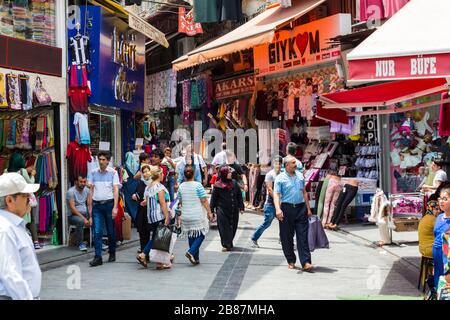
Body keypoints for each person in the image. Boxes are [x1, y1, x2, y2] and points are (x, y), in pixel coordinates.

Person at [0, 172, 41, 300]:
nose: (30, 198)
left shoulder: (14, 226)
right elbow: (10, 275)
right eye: (25, 196)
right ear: (10, 200)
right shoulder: (5, 229)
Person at [274, 155, 313, 271]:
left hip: (301, 208)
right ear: (286, 165)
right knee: (286, 236)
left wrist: (308, 209)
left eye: (295, 163)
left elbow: (304, 192)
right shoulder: (280, 178)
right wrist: (277, 209)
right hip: (286, 209)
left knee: (303, 236)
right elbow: (276, 194)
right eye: (293, 163)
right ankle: (290, 259)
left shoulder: (300, 176)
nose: (295, 165)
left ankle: (306, 261)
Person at [88, 151, 120, 267]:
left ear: (108, 161)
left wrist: (115, 207)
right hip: (96, 205)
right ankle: (98, 257)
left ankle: (112, 252)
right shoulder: (93, 173)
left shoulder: (113, 173)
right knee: (97, 231)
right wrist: (90, 209)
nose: (101, 162)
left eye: (103, 160)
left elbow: (116, 190)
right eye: (99, 159)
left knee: (111, 231)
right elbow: (91, 191)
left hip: (109, 204)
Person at [136, 166, 172, 269]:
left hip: (150, 217)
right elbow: (162, 203)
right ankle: (143, 255)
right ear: (159, 175)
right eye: (162, 173)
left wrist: (144, 202)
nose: (163, 175)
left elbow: (146, 200)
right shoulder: (159, 187)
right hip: (158, 216)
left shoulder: (148, 187)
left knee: (157, 238)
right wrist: (166, 217)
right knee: (157, 239)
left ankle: (160, 262)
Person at [177, 165, 214, 265]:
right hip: (196, 215)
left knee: (192, 235)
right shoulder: (198, 185)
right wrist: (209, 213)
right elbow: (204, 200)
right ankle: (191, 252)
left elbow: (180, 201)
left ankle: (195, 258)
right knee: (201, 235)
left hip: (185, 215)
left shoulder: (181, 186)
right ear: (194, 174)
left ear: (184, 175)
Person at [7, 152, 40, 249]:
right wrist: (33, 175)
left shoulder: (6, 171)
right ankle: (35, 241)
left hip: (13, 199)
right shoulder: (22, 171)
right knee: (31, 219)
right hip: (24, 198)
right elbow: (30, 183)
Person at [210, 166, 244, 252]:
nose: (230, 174)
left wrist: (241, 206)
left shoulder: (234, 183)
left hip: (233, 210)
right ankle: (226, 244)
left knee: (233, 226)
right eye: (228, 173)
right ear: (224, 174)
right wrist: (211, 211)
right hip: (222, 210)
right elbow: (213, 199)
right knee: (223, 228)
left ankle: (229, 241)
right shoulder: (217, 185)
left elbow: (239, 195)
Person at [251, 156, 283, 248]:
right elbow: (269, 189)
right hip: (270, 203)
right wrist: (278, 200)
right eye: (277, 163)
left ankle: (283, 239)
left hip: (281, 202)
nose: (278, 165)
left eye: (280, 163)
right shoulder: (270, 174)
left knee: (283, 222)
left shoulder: (283, 174)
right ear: (274, 164)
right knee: (267, 223)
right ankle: (254, 238)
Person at [67, 175, 91, 252]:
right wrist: (84, 219)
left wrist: (91, 217)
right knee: (80, 221)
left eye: (84, 182)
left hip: (85, 214)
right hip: (73, 216)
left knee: (97, 217)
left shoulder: (87, 190)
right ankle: (80, 244)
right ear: (76, 182)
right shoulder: (71, 192)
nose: (83, 183)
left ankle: (98, 241)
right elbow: (73, 209)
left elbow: (90, 205)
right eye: (81, 182)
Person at [132, 164, 151, 257]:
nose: (146, 173)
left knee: (153, 234)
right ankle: (144, 254)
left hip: (152, 212)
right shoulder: (140, 183)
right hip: (142, 212)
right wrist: (134, 196)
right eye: (144, 172)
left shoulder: (154, 183)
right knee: (143, 234)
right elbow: (136, 194)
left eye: (147, 171)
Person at [433, 187, 450, 288]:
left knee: (446, 283)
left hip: (447, 256)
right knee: (438, 281)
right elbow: (436, 235)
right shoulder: (439, 217)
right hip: (436, 252)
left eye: (445, 199)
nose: (441, 201)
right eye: (440, 198)